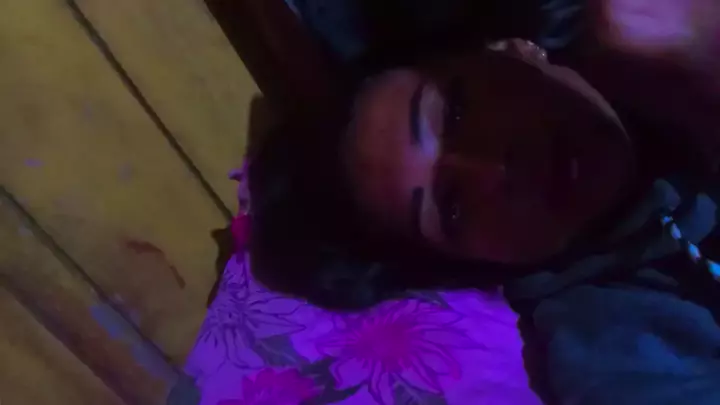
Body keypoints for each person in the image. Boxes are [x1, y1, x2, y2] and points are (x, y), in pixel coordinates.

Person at [249, 0, 720, 403]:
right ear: (475, 263)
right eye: (453, 206)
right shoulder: (614, 352)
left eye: (457, 111)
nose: (498, 171)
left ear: (513, 48)